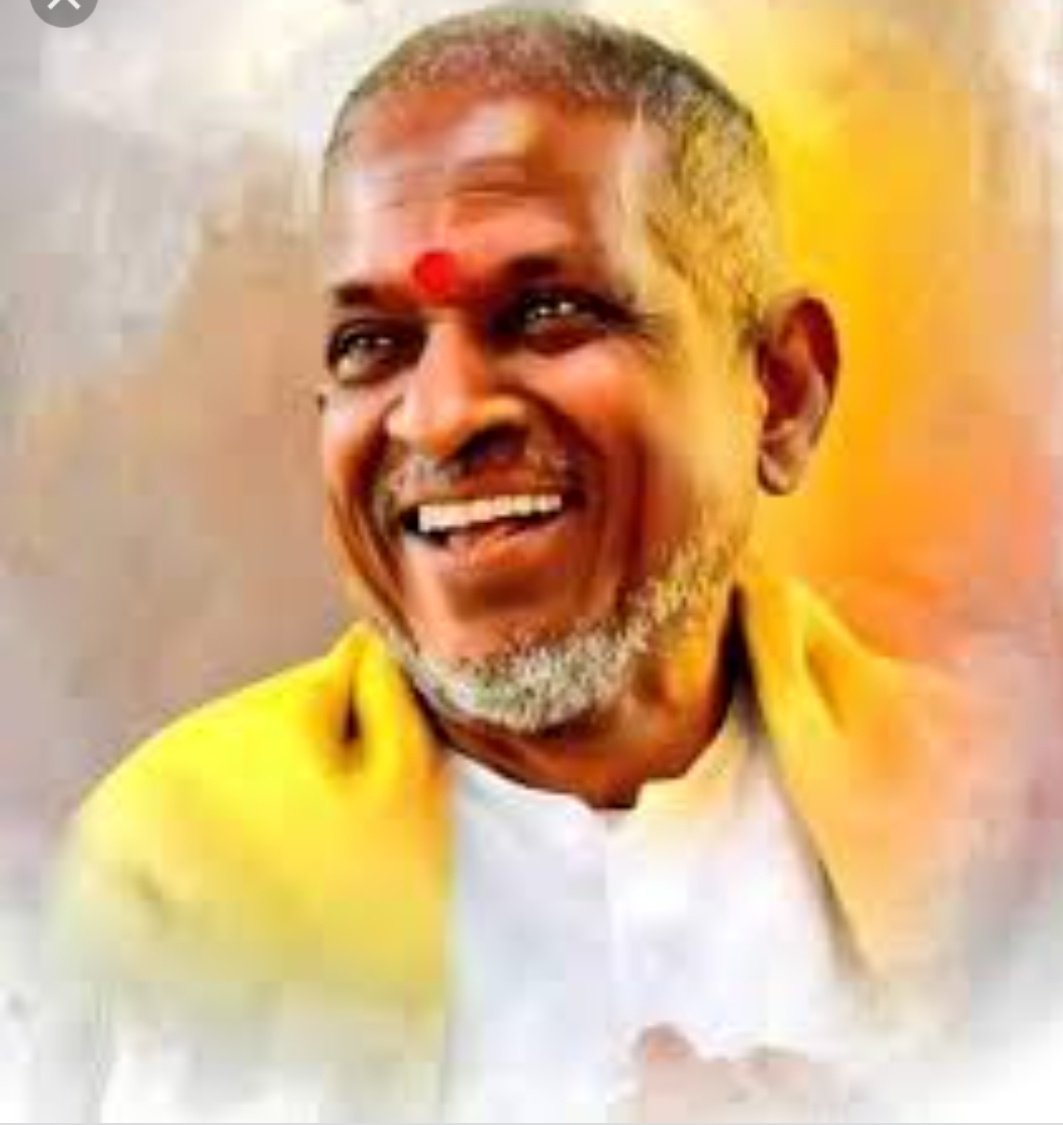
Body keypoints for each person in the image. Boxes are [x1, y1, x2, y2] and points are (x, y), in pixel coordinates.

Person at [50, 7, 1016, 1121]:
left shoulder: (988, 831)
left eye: (551, 313)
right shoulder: (173, 874)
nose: (439, 416)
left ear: (780, 392)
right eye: (372, 344)